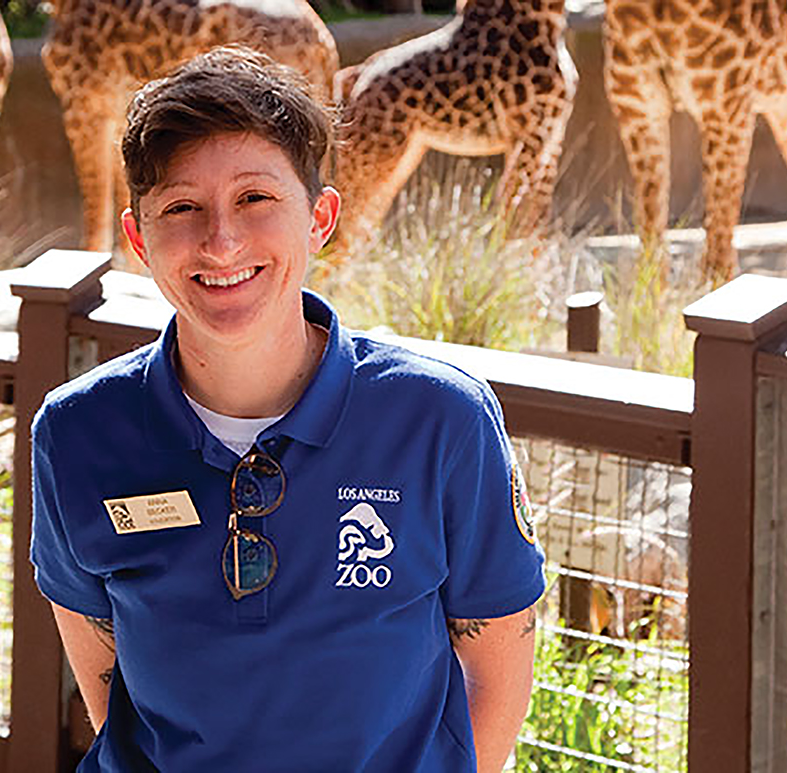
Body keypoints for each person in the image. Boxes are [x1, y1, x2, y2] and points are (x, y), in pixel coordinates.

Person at [29, 45, 545, 772]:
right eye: (183, 207)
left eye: (255, 198)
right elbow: (103, 674)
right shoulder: (75, 432)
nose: (222, 240)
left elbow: (496, 664)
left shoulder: (441, 420)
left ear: (321, 218)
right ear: (139, 238)